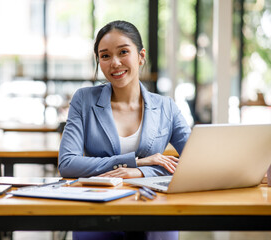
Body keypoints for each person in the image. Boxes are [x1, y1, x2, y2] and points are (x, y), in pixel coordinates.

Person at [58, 20, 191, 240]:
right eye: (105, 55)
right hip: (98, 206)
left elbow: (195, 164)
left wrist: (139, 172)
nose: (115, 63)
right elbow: (68, 164)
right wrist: (137, 161)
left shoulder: (166, 107)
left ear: (141, 56)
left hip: (153, 207)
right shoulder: (84, 100)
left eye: (123, 52)